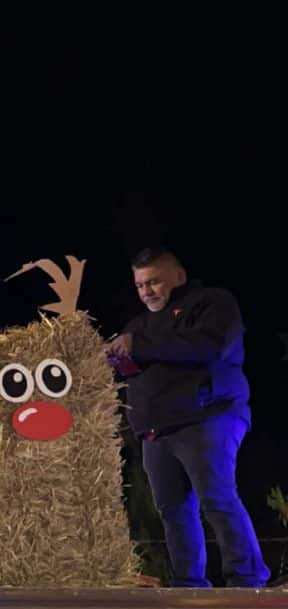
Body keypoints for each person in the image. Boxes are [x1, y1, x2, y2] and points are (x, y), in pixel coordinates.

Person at [107, 247, 266, 588]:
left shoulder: (212, 303)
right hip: (156, 430)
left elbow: (206, 347)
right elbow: (130, 369)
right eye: (140, 285)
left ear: (178, 277)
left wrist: (138, 346)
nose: (147, 292)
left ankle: (247, 579)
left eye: (154, 282)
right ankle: (188, 584)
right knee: (172, 510)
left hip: (207, 416)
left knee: (216, 498)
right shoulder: (138, 325)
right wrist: (116, 359)